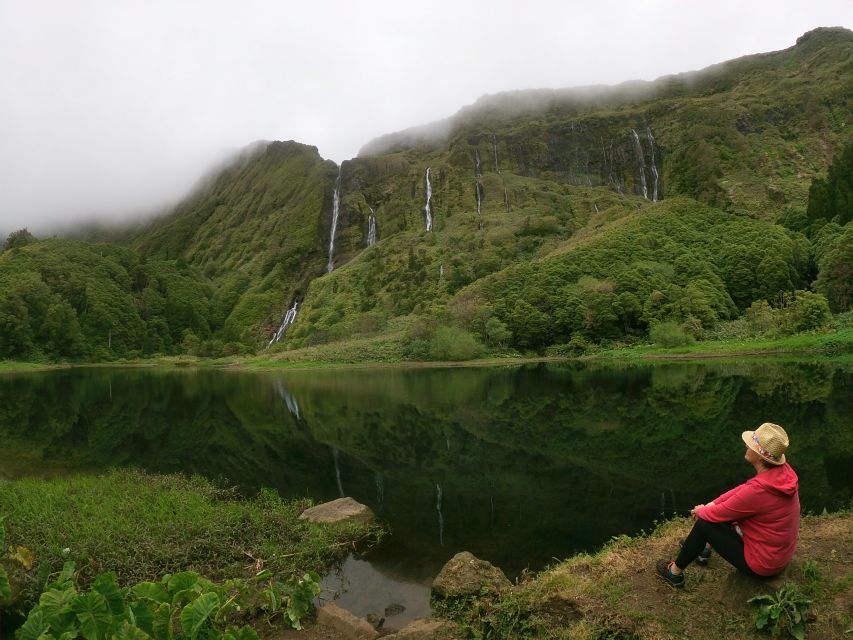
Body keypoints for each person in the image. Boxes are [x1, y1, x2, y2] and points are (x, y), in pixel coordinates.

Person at [656, 422, 800, 588]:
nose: (746, 445)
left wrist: (702, 511)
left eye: (751, 444)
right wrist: (713, 503)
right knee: (723, 513)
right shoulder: (783, 474)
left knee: (704, 524)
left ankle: (674, 573)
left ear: (760, 456)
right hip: (777, 555)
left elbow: (718, 513)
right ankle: (703, 550)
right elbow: (741, 492)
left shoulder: (758, 491)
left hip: (762, 564)